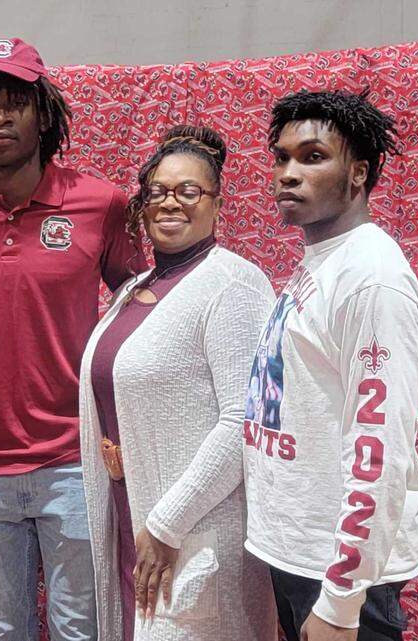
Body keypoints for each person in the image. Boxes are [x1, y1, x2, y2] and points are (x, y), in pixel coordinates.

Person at [0, 37, 146, 640]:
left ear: (43, 114)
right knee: (0, 633)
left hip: (75, 461)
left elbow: (145, 319)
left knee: (83, 630)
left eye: (15, 101)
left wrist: (134, 438)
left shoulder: (100, 203)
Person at [78, 125, 280, 641]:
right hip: (133, 520)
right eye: (158, 192)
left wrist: (167, 524)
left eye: (189, 191)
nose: (171, 203)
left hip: (192, 531)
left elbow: (244, 421)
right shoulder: (136, 289)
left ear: (216, 204)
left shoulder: (233, 284)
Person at [242, 89, 418, 641]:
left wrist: (342, 600)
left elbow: (380, 446)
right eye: (281, 157)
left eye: (313, 157)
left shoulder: (372, 279)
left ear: (358, 173)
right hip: (299, 552)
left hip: (339, 575)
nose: (287, 174)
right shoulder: (322, 262)